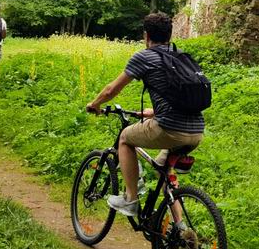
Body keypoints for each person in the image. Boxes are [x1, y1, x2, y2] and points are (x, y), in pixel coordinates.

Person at [86, 12, 204, 216]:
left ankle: (130, 199)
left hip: (169, 129)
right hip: (196, 132)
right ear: (170, 35)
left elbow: (111, 90)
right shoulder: (181, 56)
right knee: (164, 172)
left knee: (124, 138)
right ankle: (182, 229)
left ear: (146, 35)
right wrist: (154, 112)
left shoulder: (145, 56)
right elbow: (179, 94)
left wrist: (95, 104)